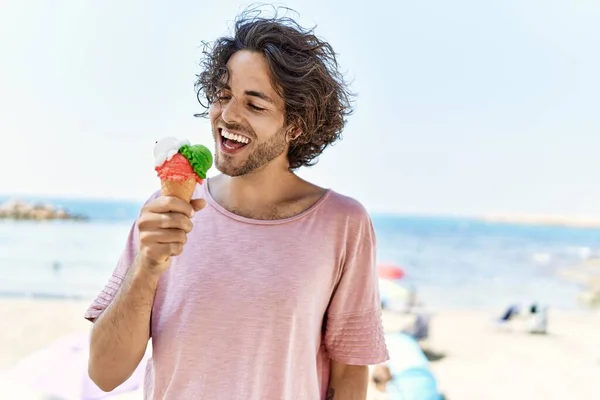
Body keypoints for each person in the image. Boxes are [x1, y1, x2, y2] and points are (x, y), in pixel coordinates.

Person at [85, 6, 389, 400]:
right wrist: (147, 266)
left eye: (254, 104)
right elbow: (104, 374)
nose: (227, 116)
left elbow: (349, 379)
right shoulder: (165, 211)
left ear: (295, 125)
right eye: (223, 95)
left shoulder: (343, 223)